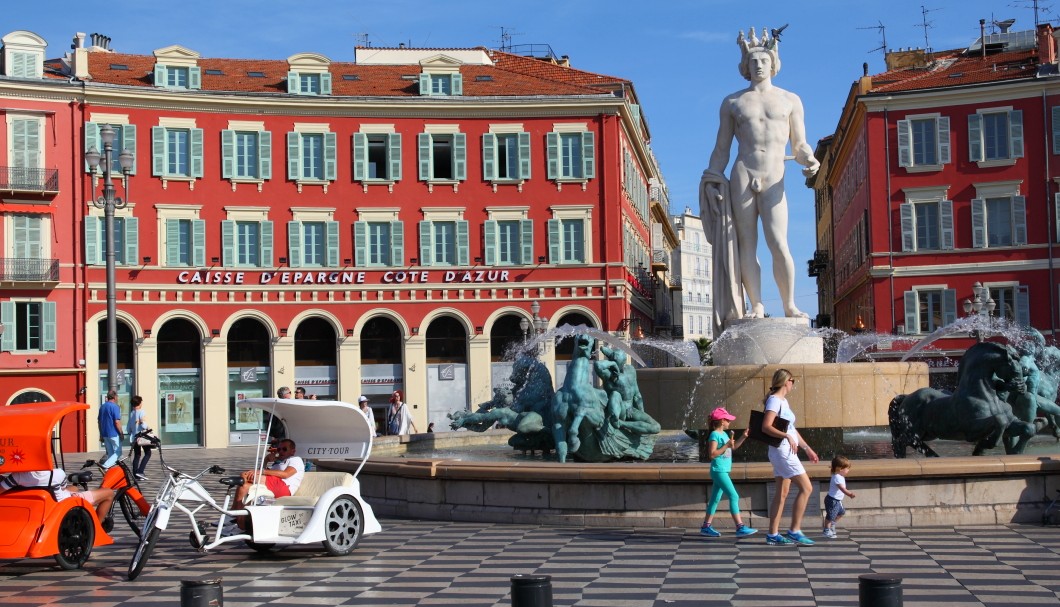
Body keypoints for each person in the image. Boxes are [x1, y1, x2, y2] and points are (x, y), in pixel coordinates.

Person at [700, 27, 819, 335]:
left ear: (773, 62)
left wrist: (808, 159)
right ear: (745, 66)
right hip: (743, 172)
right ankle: (756, 305)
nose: (759, 65)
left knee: (779, 243)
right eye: (753, 61)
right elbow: (722, 148)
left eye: (764, 60)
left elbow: (800, 144)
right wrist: (713, 178)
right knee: (746, 244)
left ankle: (790, 304)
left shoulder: (790, 100)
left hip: (775, 174)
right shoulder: (732, 102)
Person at [760, 368, 818, 546]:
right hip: (783, 451)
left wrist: (807, 448)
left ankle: (773, 534)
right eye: (793, 380)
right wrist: (786, 436)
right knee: (807, 488)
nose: (793, 383)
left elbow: (791, 430)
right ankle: (794, 530)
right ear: (786, 381)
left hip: (783, 450)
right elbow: (766, 426)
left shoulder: (783, 401)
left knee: (782, 493)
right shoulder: (774, 400)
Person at [700, 407, 757, 538]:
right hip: (719, 470)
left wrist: (743, 436)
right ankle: (740, 527)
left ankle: (706, 526)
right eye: (728, 420)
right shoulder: (714, 435)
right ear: (721, 421)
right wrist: (726, 446)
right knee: (734, 496)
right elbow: (712, 454)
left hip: (723, 470)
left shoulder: (724, 435)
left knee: (715, 499)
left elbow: (734, 446)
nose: (729, 422)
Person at [228, 438, 305, 533]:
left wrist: (263, 471)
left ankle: (232, 513)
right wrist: (266, 460)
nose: (281, 452)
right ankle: (240, 523)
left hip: (284, 487)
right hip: (274, 485)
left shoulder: (295, 460)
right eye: (279, 449)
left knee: (245, 475)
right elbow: (261, 475)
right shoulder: (277, 464)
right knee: (244, 486)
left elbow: (286, 474)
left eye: (284, 449)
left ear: (292, 451)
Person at [0, 468, 115, 521]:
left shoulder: (18, 476)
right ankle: (97, 526)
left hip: (41, 504)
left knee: (74, 487)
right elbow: (63, 487)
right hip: (62, 503)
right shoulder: (57, 473)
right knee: (109, 493)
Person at [823, 455, 855, 539]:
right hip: (832, 500)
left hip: (837, 500)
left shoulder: (839, 476)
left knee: (841, 512)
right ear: (840, 469)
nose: (848, 470)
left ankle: (832, 524)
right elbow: (842, 489)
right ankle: (826, 530)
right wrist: (850, 494)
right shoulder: (837, 477)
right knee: (830, 516)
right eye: (847, 468)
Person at [125, 395, 151, 480]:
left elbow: (128, 427)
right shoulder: (141, 412)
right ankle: (140, 471)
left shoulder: (132, 413)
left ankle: (135, 474)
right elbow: (144, 425)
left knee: (137, 455)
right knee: (148, 453)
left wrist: (130, 431)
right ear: (139, 403)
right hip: (142, 436)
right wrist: (145, 425)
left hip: (134, 437)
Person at [98, 390, 122, 468]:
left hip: (105, 433)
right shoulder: (115, 407)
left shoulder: (102, 406)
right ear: (115, 397)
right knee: (118, 452)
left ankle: (109, 470)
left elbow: (99, 421)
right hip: (113, 432)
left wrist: (101, 433)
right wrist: (121, 432)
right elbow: (117, 422)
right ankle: (105, 466)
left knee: (111, 453)